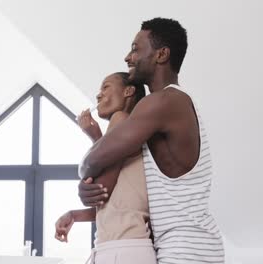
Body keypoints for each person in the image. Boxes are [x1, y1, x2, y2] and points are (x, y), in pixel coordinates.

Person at [78, 18, 225, 263]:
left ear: (161, 54)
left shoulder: (162, 102)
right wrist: (89, 189)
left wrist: (83, 172)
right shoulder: (171, 104)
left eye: (136, 49)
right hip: (187, 244)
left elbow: (95, 159)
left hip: (186, 249)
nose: (128, 57)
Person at [54, 72, 157, 264]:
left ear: (128, 91)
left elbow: (102, 188)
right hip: (126, 248)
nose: (98, 95)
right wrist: (75, 215)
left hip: (122, 249)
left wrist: (95, 139)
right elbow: (117, 205)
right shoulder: (132, 130)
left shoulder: (122, 118)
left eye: (106, 87)